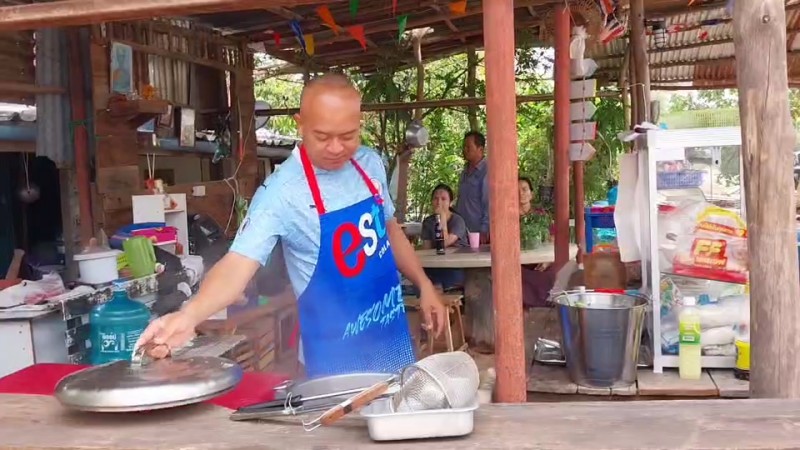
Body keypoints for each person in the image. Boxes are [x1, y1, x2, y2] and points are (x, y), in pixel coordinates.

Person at [135, 73, 445, 378]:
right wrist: (189, 314)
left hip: (391, 341)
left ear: (359, 124)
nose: (336, 148)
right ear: (300, 124)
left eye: (347, 136)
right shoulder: (282, 193)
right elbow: (237, 264)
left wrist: (424, 284)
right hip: (333, 364)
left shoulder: (370, 164)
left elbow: (389, 230)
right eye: (322, 137)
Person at [420, 184, 468, 290]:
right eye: (436, 199)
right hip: (435, 265)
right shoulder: (428, 222)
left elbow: (444, 243)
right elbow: (426, 249)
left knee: (439, 284)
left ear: (450, 202)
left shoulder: (458, 221)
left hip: (455, 266)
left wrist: (441, 217)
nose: (439, 202)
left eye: (443, 199)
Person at [518, 176, 557, 308]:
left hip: (540, 261)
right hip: (519, 263)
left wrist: (547, 260)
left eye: (524, 189)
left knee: (555, 273)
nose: (520, 193)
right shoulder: (507, 215)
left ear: (531, 194)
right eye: (516, 190)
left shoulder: (541, 214)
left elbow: (553, 238)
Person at [454, 131, 489, 243]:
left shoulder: (487, 171)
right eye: (464, 147)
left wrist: (484, 230)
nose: (465, 150)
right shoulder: (464, 171)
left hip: (478, 232)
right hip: (461, 231)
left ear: (480, 149)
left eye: (468, 147)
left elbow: (488, 203)